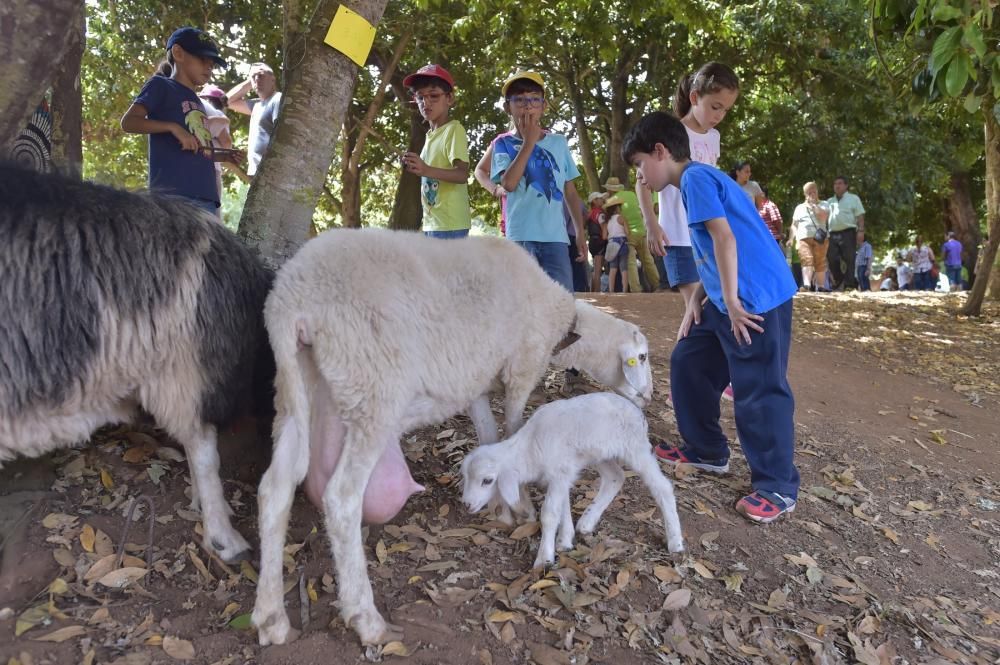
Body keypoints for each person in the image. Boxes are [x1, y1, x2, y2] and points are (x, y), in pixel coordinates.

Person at [624, 110, 799, 523]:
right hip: (726, 299)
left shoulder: (697, 180)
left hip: (754, 300)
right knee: (689, 360)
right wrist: (698, 298)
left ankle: (777, 486)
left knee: (758, 387)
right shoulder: (695, 182)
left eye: (639, 164)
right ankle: (707, 450)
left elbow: (725, 238)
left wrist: (735, 304)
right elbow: (709, 251)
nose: (640, 177)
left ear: (661, 151)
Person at [490, 71, 586, 292]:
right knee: (522, 301)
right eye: (519, 100)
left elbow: (570, 191)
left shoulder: (559, 143)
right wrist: (529, 143)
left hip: (556, 238)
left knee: (561, 300)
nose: (527, 106)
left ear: (543, 106)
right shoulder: (503, 144)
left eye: (534, 99)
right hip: (521, 238)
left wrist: (580, 232)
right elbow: (509, 184)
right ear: (507, 107)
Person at [120, 27, 228, 214]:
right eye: (203, 59)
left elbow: (198, 147)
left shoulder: (197, 101)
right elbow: (129, 122)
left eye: (212, 63)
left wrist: (223, 156)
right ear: (178, 53)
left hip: (207, 195)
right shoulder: (160, 85)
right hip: (174, 195)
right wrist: (173, 128)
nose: (209, 67)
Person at [399, 64, 471, 238]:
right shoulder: (430, 136)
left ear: (450, 98)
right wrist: (413, 166)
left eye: (434, 96)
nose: (426, 102)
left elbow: (462, 175)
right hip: (433, 223)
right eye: (420, 97)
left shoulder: (454, 130)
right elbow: (427, 172)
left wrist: (425, 169)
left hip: (451, 225)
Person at [198, 84, 249, 217]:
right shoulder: (219, 114)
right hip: (212, 168)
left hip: (196, 163)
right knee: (212, 212)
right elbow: (226, 143)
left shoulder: (199, 112)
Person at [226, 62, 282, 177]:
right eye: (253, 77)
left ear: (272, 80)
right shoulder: (256, 105)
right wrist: (252, 80)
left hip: (270, 171)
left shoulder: (277, 99)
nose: (256, 79)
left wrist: (255, 76)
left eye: (261, 75)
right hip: (255, 172)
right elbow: (226, 101)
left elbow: (280, 133)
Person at [604, 176, 659, 292]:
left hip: (629, 235)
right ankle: (657, 284)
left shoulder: (613, 200)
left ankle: (636, 289)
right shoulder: (631, 194)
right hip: (641, 231)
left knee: (631, 263)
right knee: (648, 260)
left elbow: (607, 210)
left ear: (610, 190)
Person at [787, 182, 831, 292]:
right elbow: (794, 224)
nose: (812, 194)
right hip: (803, 238)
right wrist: (791, 238)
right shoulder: (799, 208)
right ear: (805, 194)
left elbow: (823, 217)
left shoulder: (824, 204)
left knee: (820, 261)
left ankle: (820, 286)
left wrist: (814, 205)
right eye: (809, 192)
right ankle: (806, 285)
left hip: (820, 238)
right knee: (807, 259)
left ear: (817, 192)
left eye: (814, 191)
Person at [826, 176, 866, 290]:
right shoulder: (829, 201)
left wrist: (861, 231)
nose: (837, 186)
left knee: (849, 258)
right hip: (832, 233)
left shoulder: (854, 198)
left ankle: (849, 284)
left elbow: (860, 216)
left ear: (846, 185)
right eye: (835, 184)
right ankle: (839, 278)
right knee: (831, 257)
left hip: (848, 232)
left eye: (839, 183)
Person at [602, 196, 630, 293]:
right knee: (624, 268)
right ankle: (624, 290)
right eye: (619, 206)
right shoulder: (621, 218)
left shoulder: (606, 221)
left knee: (613, 268)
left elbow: (604, 236)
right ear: (616, 208)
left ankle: (611, 290)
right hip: (622, 243)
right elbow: (627, 232)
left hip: (611, 244)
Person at [586, 192, 608, 292]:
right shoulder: (600, 213)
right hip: (599, 242)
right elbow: (604, 228)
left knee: (596, 269)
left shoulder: (590, 213)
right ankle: (596, 293)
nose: (602, 200)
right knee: (598, 270)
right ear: (594, 201)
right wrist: (605, 240)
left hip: (592, 241)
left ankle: (592, 291)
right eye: (599, 198)